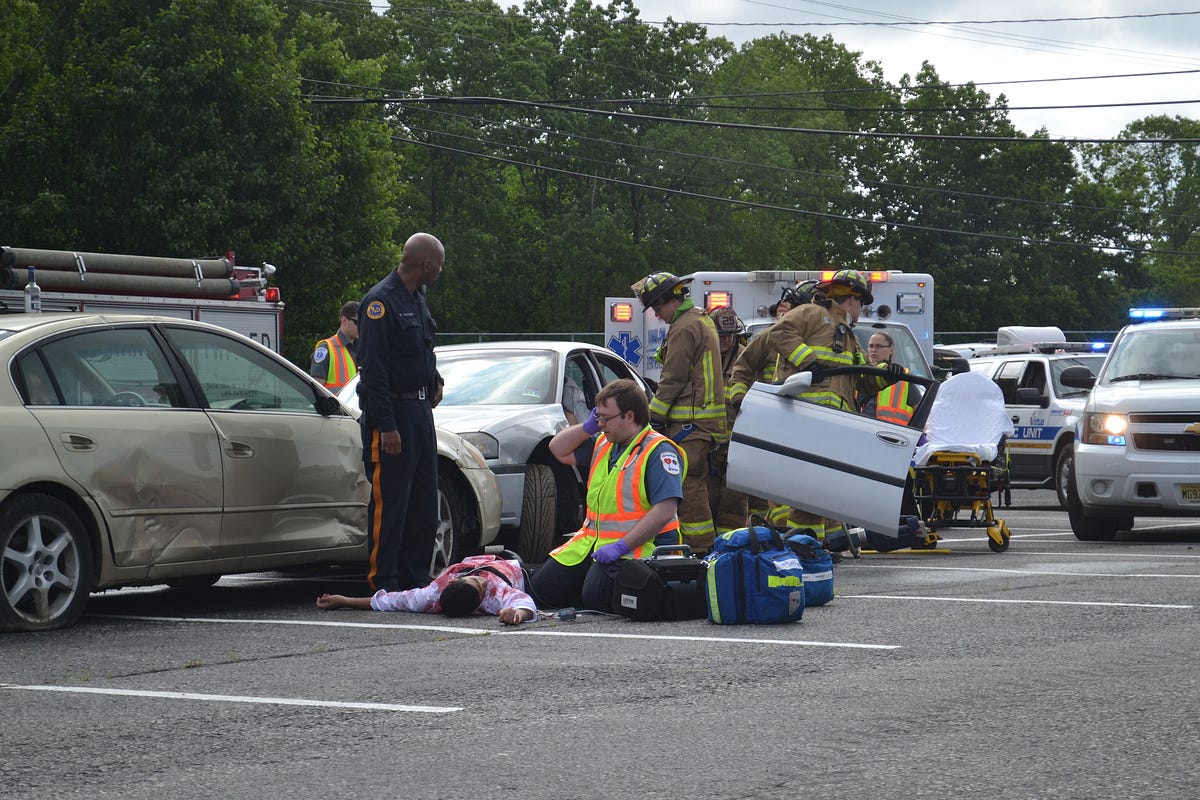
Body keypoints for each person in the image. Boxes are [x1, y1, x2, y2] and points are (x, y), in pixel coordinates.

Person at [763, 269, 905, 541]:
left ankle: (817, 545)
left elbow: (862, 381)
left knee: (821, 493)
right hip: (805, 420)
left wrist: (887, 375)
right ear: (852, 299)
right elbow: (778, 333)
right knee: (811, 492)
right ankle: (805, 546)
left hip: (830, 427)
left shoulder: (848, 336)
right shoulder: (812, 313)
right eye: (861, 303)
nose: (861, 310)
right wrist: (808, 362)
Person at [527, 379, 684, 611]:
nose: (600, 423)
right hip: (595, 545)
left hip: (641, 550)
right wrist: (586, 427)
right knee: (540, 591)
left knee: (595, 596)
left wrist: (620, 547)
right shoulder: (605, 442)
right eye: (597, 416)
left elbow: (665, 510)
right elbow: (557, 449)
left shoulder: (658, 451)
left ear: (628, 416)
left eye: (605, 418)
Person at [356, 232, 446, 592]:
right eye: (438, 265)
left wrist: (435, 380)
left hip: (421, 411)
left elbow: (422, 350)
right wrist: (387, 426)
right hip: (392, 414)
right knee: (391, 502)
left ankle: (415, 579)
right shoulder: (380, 303)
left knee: (424, 502)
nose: (440, 271)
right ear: (426, 265)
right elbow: (373, 371)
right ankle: (384, 582)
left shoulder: (417, 298)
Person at [630, 272, 726, 555]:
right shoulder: (700, 318)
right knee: (700, 486)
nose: (657, 315)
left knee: (689, 486)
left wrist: (652, 417)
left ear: (670, 300)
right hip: (704, 421)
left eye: (657, 308)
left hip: (690, 422)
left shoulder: (684, 328)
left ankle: (698, 550)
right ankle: (701, 548)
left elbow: (673, 378)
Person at [315, 554, 536, 625]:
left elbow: (388, 601)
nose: (484, 582)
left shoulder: (429, 595)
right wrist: (515, 615)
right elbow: (525, 604)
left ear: (452, 581)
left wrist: (343, 600)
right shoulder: (495, 596)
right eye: (480, 587)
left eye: (474, 580)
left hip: (497, 557)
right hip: (527, 572)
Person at [705, 305, 749, 535]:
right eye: (722, 335)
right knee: (707, 498)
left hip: (737, 440)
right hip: (709, 442)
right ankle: (709, 545)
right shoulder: (703, 355)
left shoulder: (746, 357)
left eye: (731, 335)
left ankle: (729, 544)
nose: (727, 340)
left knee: (735, 501)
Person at [861, 331, 922, 424]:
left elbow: (920, 411)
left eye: (878, 346)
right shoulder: (861, 374)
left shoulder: (901, 378)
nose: (873, 350)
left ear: (891, 350)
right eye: (871, 346)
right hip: (860, 430)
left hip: (890, 434)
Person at [309, 301, 360, 391]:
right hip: (334, 405)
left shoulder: (363, 348)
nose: (361, 327)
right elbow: (316, 389)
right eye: (358, 322)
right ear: (344, 320)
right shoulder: (325, 348)